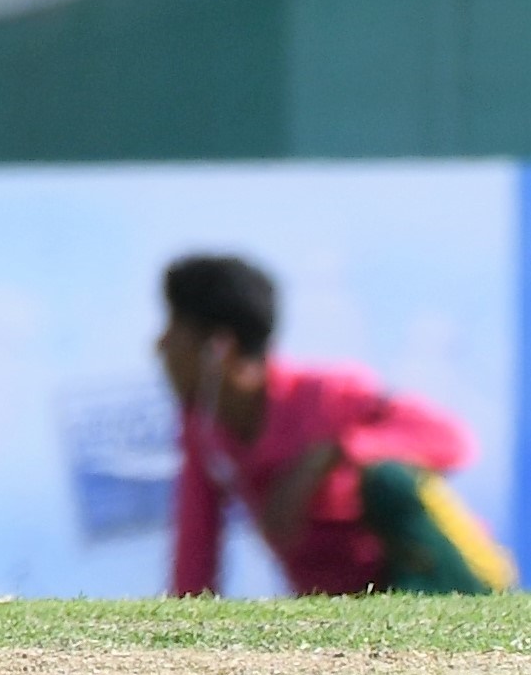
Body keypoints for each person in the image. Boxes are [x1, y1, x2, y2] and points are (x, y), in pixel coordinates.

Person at [160, 250, 517, 595]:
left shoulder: (328, 396)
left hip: (442, 579)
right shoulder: (204, 429)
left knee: (388, 478)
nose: (161, 345)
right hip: (343, 604)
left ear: (219, 349)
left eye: (175, 330)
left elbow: (453, 441)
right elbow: (197, 545)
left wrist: (331, 454)